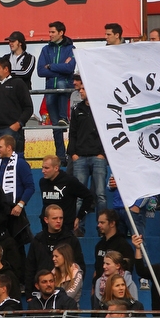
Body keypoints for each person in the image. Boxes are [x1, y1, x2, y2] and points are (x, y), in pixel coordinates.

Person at [67, 83, 107, 230]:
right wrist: (73, 154)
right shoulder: (77, 109)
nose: (80, 91)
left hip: (98, 157)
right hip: (80, 158)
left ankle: (102, 228)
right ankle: (79, 227)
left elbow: (108, 131)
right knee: (79, 196)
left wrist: (103, 153)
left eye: (83, 89)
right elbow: (72, 133)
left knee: (101, 195)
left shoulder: (102, 109)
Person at [36, 21, 76, 163]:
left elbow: (70, 68)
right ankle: (61, 156)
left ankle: (71, 153)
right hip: (50, 90)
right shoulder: (46, 49)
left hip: (64, 88)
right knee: (55, 127)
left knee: (60, 84)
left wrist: (51, 66)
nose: (50, 34)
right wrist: (60, 68)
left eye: (52, 32)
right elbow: (40, 71)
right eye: (49, 32)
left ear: (61, 33)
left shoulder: (71, 48)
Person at [25, 204, 86, 296]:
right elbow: (30, 267)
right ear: (46, 220)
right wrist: (29, 293)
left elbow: (79, 266)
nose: (58, 221)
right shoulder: (38, 240)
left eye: (61, 218)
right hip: (40, 293)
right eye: (54, 218)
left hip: (65, 293)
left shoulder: (71, 240)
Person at [0, 56, 33, 157]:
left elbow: (28, 107)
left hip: (10, 130)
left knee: (13, 164)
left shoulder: (18, 84)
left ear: (6, 69)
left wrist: (18, 124)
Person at [38, 155, 94, 234]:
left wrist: (79, 217)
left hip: (66, 229)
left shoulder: (69, 181)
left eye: (46, 168)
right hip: (47, 228)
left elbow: (88, 196)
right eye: (42, 167)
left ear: (56, 168)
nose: (43, 171)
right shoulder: (42, 182)